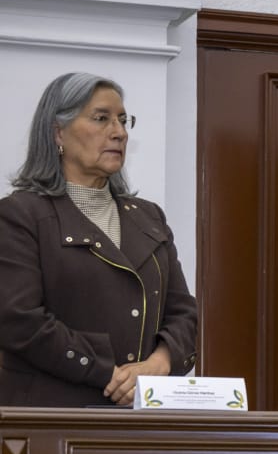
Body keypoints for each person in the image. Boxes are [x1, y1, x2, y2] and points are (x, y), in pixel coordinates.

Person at [0, 72, 197, 407]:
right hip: (49, 420)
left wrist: (158, 365)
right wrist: (110, 375)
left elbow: (183, 314)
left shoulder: (149, 217)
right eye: (101, 118)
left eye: (122, 120)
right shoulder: (20, 215)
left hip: (140, 420)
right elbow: (20, 321)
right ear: (57, 132)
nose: (119, 132)